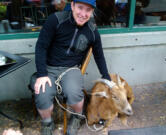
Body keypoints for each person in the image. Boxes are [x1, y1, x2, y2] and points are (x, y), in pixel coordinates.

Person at [31, 0, 111, 135]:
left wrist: (106, 76)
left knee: (74, 92)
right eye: (80, 8)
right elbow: (41, 46)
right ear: (72, 5)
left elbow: (99, 55)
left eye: (88, 10)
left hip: (71, 69)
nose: (83, 14)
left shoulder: (92, 30)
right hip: (48, 68)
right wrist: (42, 74)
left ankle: (77, 117)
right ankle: (47, 122)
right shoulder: (56, 20)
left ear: (92, 12)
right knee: (43, 94)